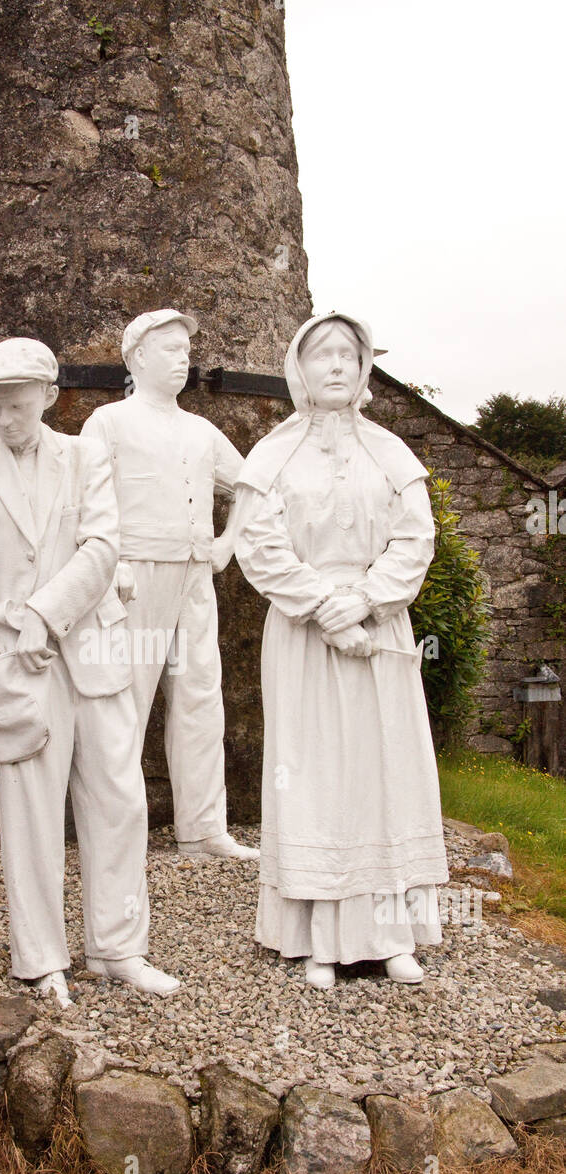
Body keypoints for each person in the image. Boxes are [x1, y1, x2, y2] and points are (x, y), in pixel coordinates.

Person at [0, 337, 180, 1006]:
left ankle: (118, 949)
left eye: (19, 407)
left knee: (119, 800)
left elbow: (103, 545)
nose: (5, 420)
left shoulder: (86, 458)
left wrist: (44, 612)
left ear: (50, 397)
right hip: (15, 670)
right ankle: (40, 960)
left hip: (93, 651)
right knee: (30, 813)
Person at [234, 311, 448, 988]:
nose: (335, 366)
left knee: (382, 774)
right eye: (322, 354)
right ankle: (318, 937)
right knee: (316, 774)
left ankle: (389, 935)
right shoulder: (273, 454)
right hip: (303, 636)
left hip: (378, 630)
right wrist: (325, 608)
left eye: (348, 356)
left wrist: (367, 600)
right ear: (300, 367)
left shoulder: (390, 454)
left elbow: (415, 539)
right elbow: (258, 544)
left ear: (363, 371)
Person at [81, 309, 258, 861]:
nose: (183, 358)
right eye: (170, 348)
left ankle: (203, 829)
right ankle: (113, 830)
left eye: (187, 349)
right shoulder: (108, 422)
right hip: (135, 578)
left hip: (194, 576)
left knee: (201, 698)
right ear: (136, 356)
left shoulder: (203, 430)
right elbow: (85, 500)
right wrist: (110, 563)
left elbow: (253, 482)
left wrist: (228, 541)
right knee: (125, 700)